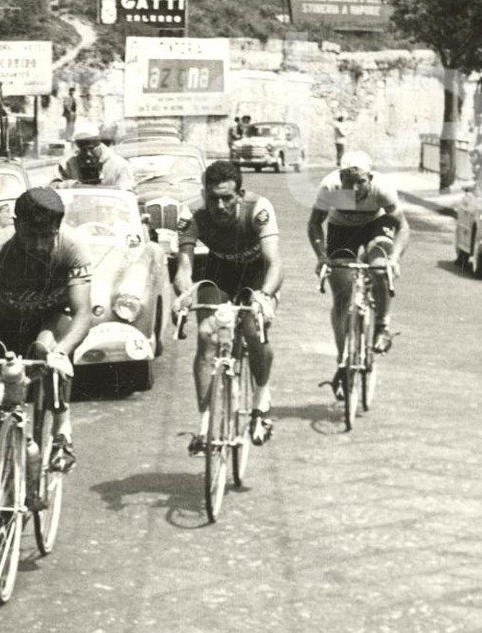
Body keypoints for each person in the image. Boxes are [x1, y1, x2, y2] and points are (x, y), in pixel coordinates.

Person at [0, 186, 93, 472]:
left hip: (54, 320)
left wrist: (63, 352)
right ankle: (9, 481)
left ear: (58, 228)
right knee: (4, 406)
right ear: (16, 224)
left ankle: (61, 429)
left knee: (45, 347)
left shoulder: (72, 247)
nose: (41, 246)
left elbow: (82, 314)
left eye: (48, 237)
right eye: (31, 236)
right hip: (10, 324)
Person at [171, 160, 283, 452]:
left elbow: (274, 263)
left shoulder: (258, 209)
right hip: (219, 274)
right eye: (213, 198)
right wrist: (183, 295)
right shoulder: (191, 213)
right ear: (204, 194)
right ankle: (205, 425)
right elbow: (184, 267)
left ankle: (261, 402)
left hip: (256, 276)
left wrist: (265, 295)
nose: (219, 206)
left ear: (240, 194)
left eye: (227, 198)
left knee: (252, 330)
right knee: (206, 336)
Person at [306, 150, 411, 393]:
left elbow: (404, 227)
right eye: (348, 182)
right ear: (340, 177)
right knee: (342, 295)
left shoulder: (381, 188)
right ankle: (343, 360)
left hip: (376, 225)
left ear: (370, 178)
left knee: (379, 268)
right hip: (342, 230)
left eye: (360, 181)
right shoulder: (330, 188)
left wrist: (394, 258)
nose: (353, 189)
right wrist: (322, 257)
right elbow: (314, 224)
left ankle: (382, 326)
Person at [57, 119, 135, 189]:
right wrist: (69, 185)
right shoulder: (68, 165)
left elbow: (126, 193)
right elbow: (53, 187)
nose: (88, 153)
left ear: (99, 144)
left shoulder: (119, 165)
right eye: (83, 150)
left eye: (91, 149)